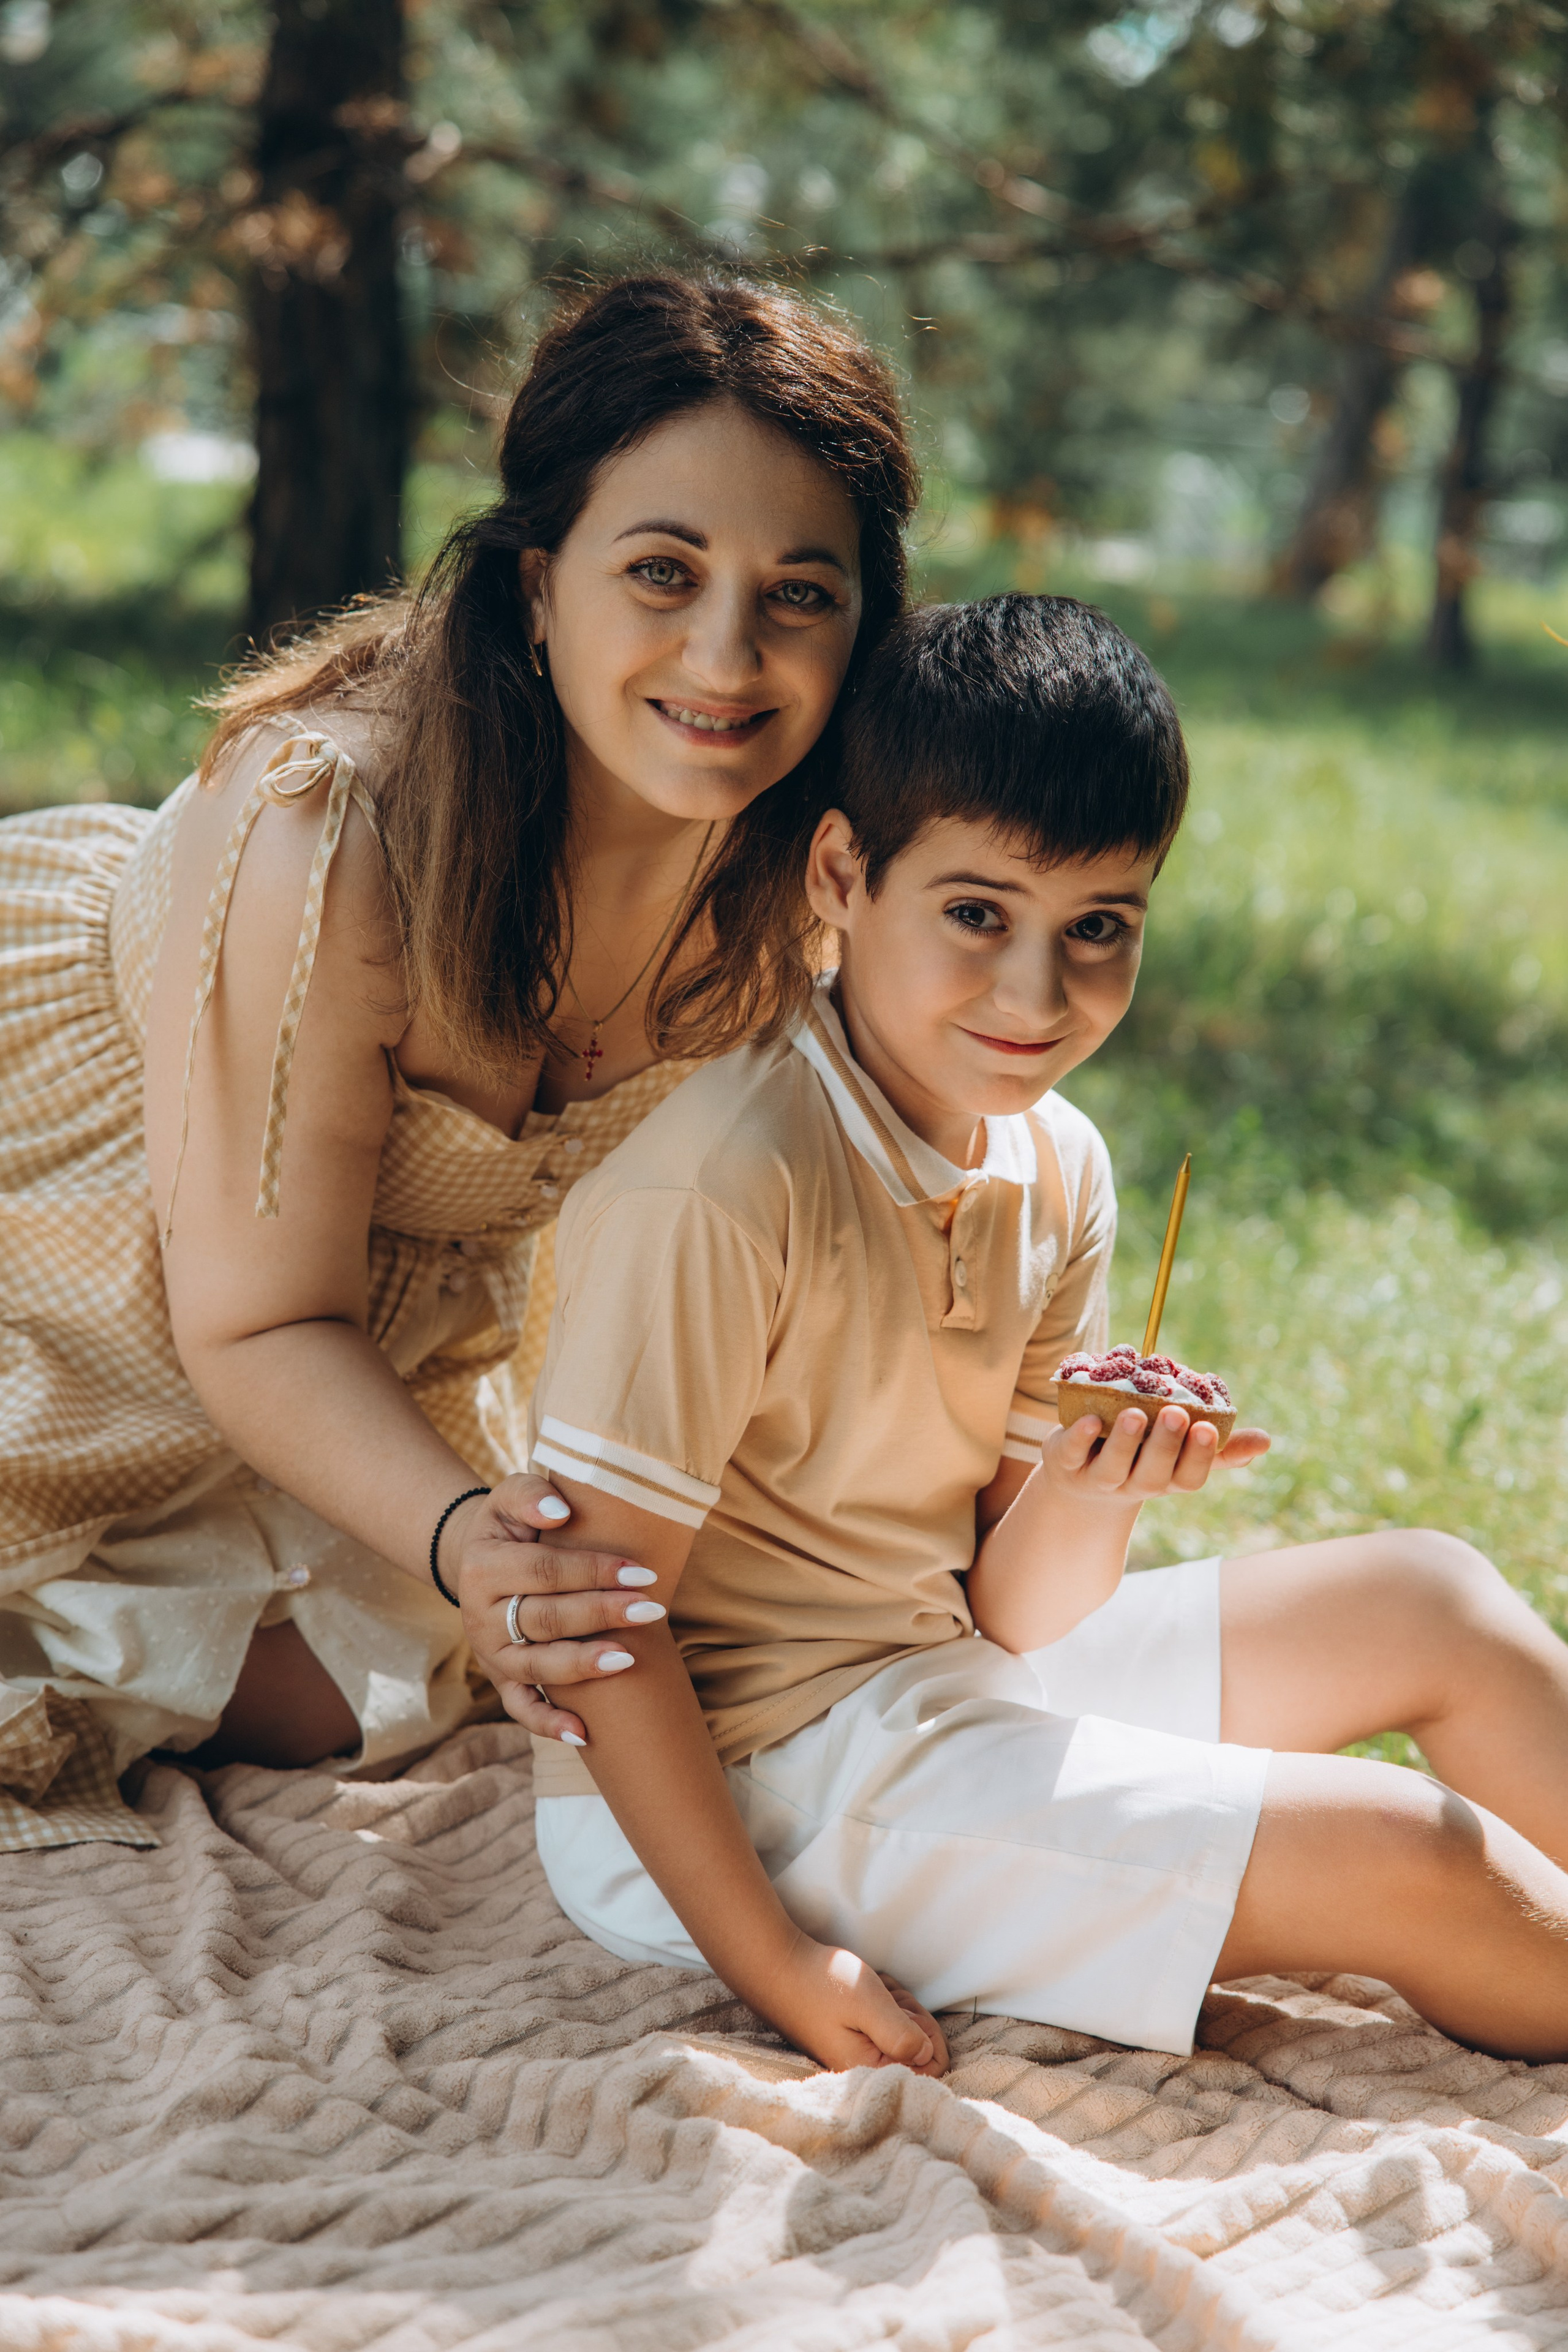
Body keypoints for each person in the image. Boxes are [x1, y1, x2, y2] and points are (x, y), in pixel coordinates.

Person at [521, 594, 1568, 2075]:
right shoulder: (721, 1185)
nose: (1035, 992)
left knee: (1431, 1600)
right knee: (1417, 1860)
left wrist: (1090, 1485)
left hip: (945, 1670)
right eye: (974, 915)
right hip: (741, 1789)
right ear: (840, 873)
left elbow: (1012, 1614)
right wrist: (774, 1959)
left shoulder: (1053, 1160)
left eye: (1096, 929)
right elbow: (595, 1637)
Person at [0, 270, 919, 1847]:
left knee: (429, 1666)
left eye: (798, 592)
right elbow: (260, 1310)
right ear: (533, 584)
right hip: (81, 1250)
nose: (723, 656)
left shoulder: (803, 887)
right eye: (660, 570)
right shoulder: (331, 829)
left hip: (339, 1335)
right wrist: (469, 1537)